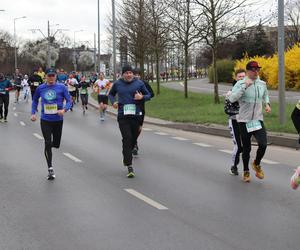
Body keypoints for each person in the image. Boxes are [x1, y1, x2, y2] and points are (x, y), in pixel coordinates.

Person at [228, 61, 271, 183]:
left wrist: (267, 104)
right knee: (246, 148)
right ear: (248, 71)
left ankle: (256, 164)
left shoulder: (262, 83)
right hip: (244, 121)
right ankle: (246, 171)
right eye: (253, 70)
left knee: (263, 144)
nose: (256, 72)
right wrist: (244, 86)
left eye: (257, 69)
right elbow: (232, 98)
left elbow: (265, 95)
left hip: (257, 119)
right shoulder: (240, 83)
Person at [108, 65, 151, 178]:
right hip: (123, 115)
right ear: (123, 74)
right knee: (127, 138)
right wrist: (113, 102)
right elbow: (111, 94)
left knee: (133, 139)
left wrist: (141, 97)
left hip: (136, 116)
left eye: (130, 72)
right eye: (126, 73)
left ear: (133, 74)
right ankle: (129, 165)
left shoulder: (139, 83)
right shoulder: (117, 84)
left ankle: (126, 156)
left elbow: (149, 95)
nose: (129, 74)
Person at [31, 68, 71, 180]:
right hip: (45, 120)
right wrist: (33, 113)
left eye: (53, 75)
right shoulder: (41, 88)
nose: (51, 77)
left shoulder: (62, 87)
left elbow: (69, 101)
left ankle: (49, 146)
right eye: (49, 75)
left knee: (56, 144)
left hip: (58, 120)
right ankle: (50, 168)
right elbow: (34, 100)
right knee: (48, 142)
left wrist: (64, 110)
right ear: (46, 77)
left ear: (56, 76)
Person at [226, 69, 246, 176]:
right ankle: (234, 166)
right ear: (235, 78)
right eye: (239, 77)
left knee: (245, 147)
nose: (242, 79)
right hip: (234, 121)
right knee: (238, 146)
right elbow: (227, 109)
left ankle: (246, 169)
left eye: (243, 76)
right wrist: (239, 113)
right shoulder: (231, 91)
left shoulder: (248, 91)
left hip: (246, 122)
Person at [132, 68, 154, 155]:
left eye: (138, 74)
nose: (137, 76)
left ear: (140, 75)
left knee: (139, 128)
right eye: (135, 74)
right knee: (131, 127)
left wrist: (143, 97)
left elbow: (151, 94)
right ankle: (134, 144)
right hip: (130, 108)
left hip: (141, 108)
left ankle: (134, 141)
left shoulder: (143, 83)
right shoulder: (128, 83)